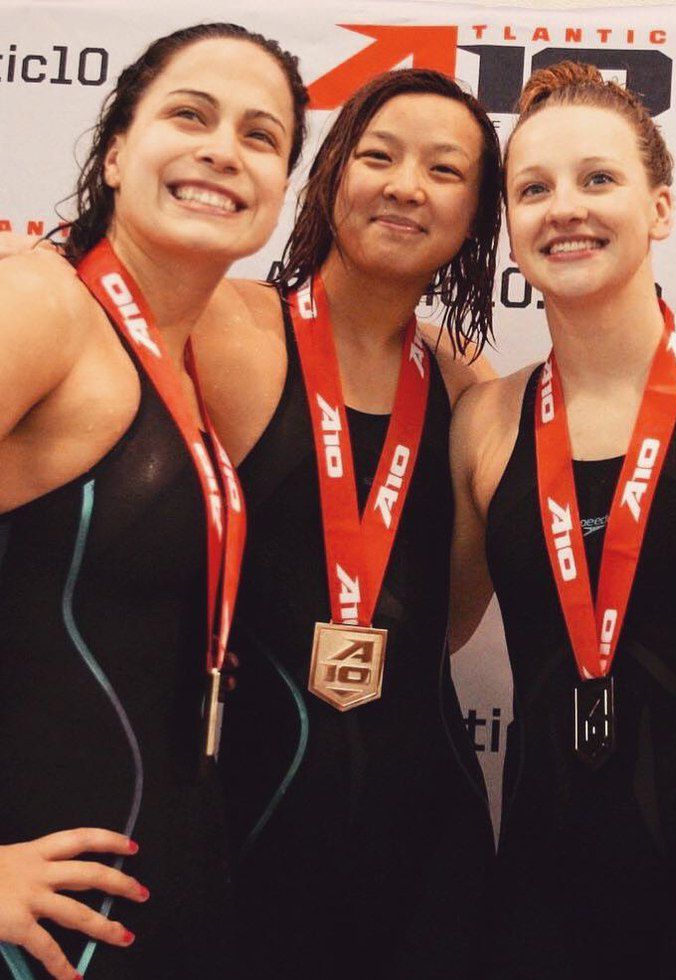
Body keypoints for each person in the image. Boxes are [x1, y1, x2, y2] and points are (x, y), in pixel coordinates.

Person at [0, 23, 306, 980]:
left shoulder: (182, 363)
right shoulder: (41, 306)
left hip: (162, 882)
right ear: (115, 151)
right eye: (191, 115)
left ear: (281, 190)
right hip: (37, 924)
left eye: (261, 136)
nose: (224, 149)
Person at [192, 69, 501, 978]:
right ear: (330, 172)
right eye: (379, 156)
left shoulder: (466, 386)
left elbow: (448, 622)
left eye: (444, 170)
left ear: (477, 215)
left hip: (427, 852)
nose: (407, 186)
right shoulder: (222, 330)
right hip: (235, 831)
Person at [448, 62, 676, 979]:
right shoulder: (485, 421)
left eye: (598, 178)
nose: (564, 208)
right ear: (509, 224)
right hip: (540, 902)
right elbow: (436, 630)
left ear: (660, 208)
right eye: (533, 189)